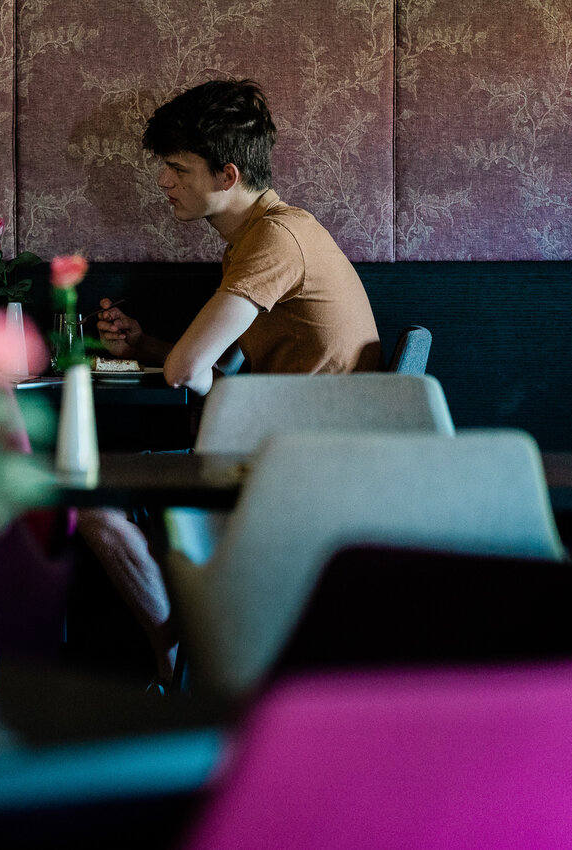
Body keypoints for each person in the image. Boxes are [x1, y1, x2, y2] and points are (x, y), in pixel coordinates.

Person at [78, 79, 382, 688]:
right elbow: (216, 369)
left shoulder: (274, 241)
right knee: (104, 496)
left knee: (90, 503)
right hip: (296, 450)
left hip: (297, 468)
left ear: (228, 175)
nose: (162, 181)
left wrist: (171, 360)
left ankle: (179, 665)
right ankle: (191, 657)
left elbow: (188, 373)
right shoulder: (270, 233)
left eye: (177, 168)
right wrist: (145, 344)